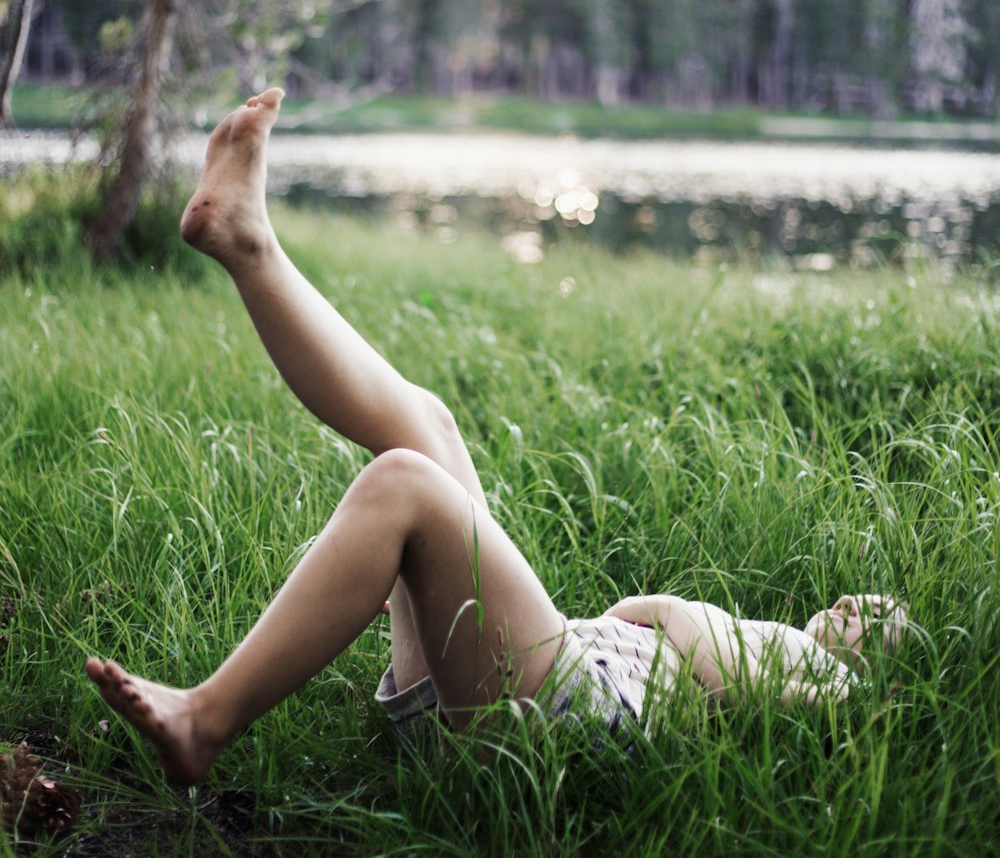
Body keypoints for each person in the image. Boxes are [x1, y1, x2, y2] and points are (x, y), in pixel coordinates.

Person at [85, 90, 909, 784]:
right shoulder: (785, 646)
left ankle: (206, 718)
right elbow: (652, 627)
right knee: (425, 422)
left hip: (558, 723)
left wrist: (674, 622)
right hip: (545, 684)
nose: (853, 604)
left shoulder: (825, 678)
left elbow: (683, 646)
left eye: (878, 617)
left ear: (879, 665)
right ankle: (248, 246)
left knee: (406, 481)